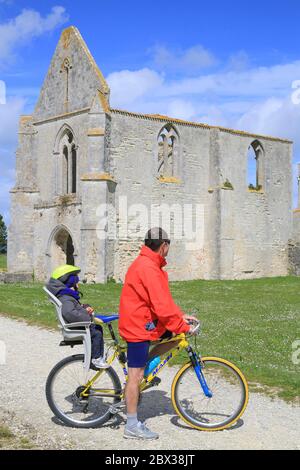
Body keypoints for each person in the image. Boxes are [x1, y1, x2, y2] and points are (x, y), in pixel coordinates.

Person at [119, 227, 197, 440]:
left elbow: (163, 302)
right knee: (135, 376)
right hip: (138, 326)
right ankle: (132, 425)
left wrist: (180, 318)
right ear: (164, 246)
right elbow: (161, 305)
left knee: (175, 338)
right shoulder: (149, 268)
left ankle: (147, 361)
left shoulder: (149, 264)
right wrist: (184, 326)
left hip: (144, 322)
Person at [46, 264, 108, 369]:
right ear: (70, 283)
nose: (78, 285)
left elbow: (75, 308)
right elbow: (69, 313)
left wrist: (85, 308)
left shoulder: (66, 296)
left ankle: (96, 356)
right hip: (75, 326)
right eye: (76, 283)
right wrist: (88, 317)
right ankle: (96, 358)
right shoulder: (65, 297)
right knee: (96, 333)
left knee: (98, 329)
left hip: (76, 324)